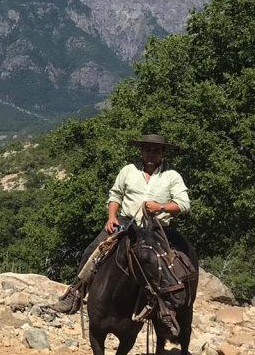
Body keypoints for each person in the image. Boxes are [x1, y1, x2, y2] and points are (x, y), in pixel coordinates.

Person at [51, 133, 190, 314]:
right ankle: (75, 293)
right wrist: (111, 217)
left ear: (163, 153)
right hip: (127, 222)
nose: (151, 153)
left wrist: (161, 207)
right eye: (147, 149)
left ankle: (171, 308)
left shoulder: (172, 176)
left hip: (156, 227)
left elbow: (184, 204)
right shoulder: (128, 170)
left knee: (176, 262)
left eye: (156, 150)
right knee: (95, 249)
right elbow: (115, 195)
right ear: (141, 151)